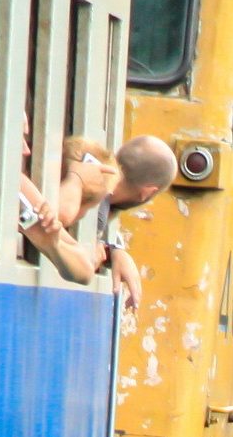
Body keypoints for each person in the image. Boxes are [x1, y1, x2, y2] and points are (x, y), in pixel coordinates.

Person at [23, 133, 174, 310]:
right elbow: (60, 215)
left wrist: (112, 252)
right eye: (89, 209)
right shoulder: (30, 198)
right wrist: (76, 180)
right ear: (147, 193)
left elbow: (82, 267)